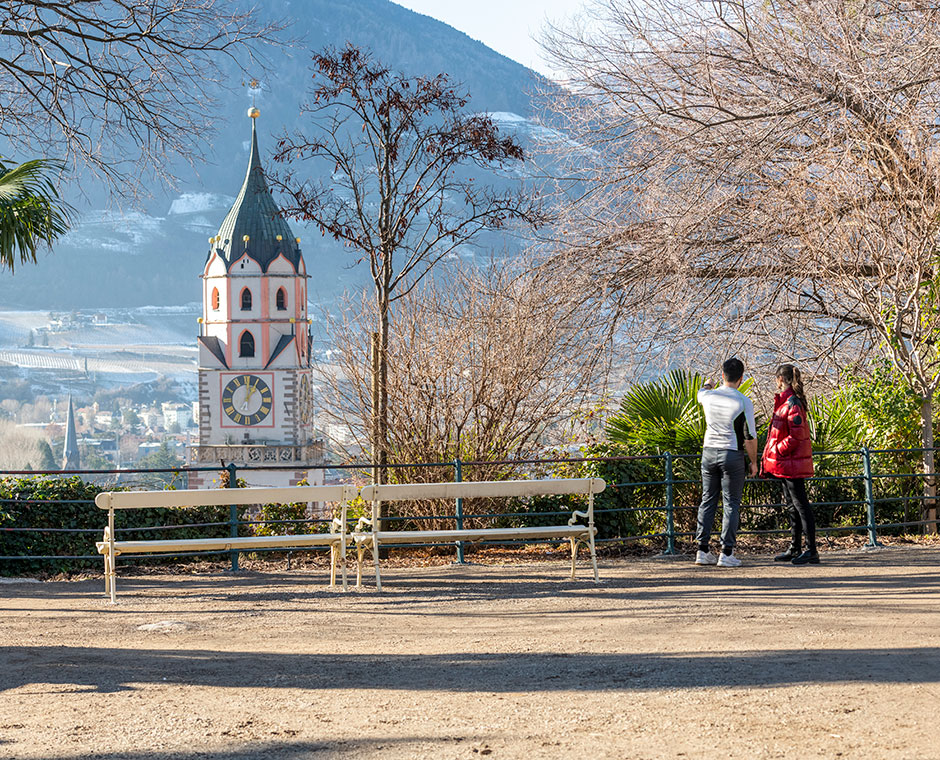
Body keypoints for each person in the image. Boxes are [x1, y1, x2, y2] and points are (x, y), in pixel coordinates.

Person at [695, 357, 759, 568]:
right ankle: (726, 553)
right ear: (741, 378)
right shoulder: (743, 401)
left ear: (723, 375)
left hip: (708, 452)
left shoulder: (708, 396)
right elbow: (749, 435)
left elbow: (701, 392)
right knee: (731, 503)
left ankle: (702, 551)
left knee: (707, 500)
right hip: (731, 454)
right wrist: (753, 462)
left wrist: (708, 384)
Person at [762, 364, 818, 565]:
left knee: (800, 505)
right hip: (786, 464)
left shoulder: (792, 403)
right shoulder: (786, 402)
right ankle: (796, 547)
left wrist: (777, 450)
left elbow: (796, 436)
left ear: (780, 379)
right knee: (792, 505)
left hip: (790, 463)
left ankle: (811, 549)